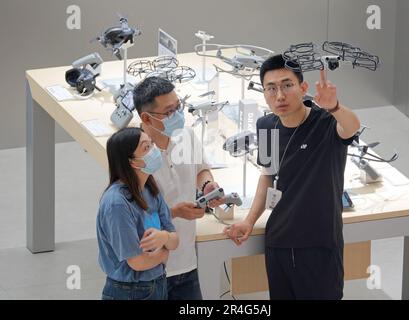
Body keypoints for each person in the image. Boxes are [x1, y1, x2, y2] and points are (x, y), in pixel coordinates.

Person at [224, 54, 361, 300]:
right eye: (271, 88)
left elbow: (351, 128)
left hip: (318, 245)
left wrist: (335, 107)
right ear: (264, 92)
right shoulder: (266, 125)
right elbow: (267, 176)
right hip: (278, 242)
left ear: (303, 87)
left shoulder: (326, 123)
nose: (280, 96)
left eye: (287, 85)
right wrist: (249, 220)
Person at [133, 76, 224, 300]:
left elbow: (201, 169)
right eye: (169, 112)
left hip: (186, 263)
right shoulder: (132, 153)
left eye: (178, 107)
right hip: (150, 269)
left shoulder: (186, 136)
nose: (177, 115)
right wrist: (174, 212)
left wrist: (206, 185)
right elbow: (129, 214)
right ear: (146, 117)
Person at [96, 127, 179, 300]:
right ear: (133, 162)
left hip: (157, 284)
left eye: (151, 143)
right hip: (129, 292)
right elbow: (138, 262)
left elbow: (174, 240)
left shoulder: (150, 189)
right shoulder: (117, 204)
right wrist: (165, 251)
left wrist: (164, 237)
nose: (154, 151)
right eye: (146, 148)